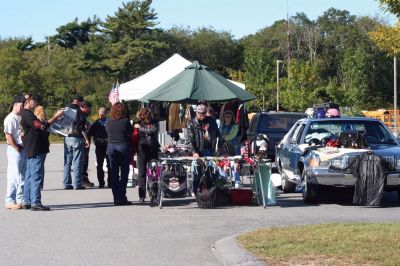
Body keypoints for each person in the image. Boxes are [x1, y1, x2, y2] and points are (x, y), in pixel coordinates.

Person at [20, 94, 64, 211]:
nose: (34, 102)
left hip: (32, 147)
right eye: (32, 100)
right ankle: (36, 203)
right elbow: (41, 126)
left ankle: (27, 201)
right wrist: (55, 117)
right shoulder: (28, 114)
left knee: (30, 175)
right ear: (27, 102)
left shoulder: (24, 113)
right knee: (36, 175)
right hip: (36, 148)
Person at [186, 104, 222, 194]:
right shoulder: (192, 123)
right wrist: (194, 152)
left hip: (210, 149)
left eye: (203, 114)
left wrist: (210, 134)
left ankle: (210, 194)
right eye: (199, 114)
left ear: (206, 113)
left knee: (210, 173)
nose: (201, 116)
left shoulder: (211, 121)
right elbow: (189, 141)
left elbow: (217, 134)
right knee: (197, 174)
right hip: (198, 150)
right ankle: (195, 193)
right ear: (196, 113)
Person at [105, 103, 132, 205]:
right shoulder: (125, 121)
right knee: (124, 173)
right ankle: (121, 196)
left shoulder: (108, 121)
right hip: (123, 146)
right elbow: (129, 133)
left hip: (111, 147)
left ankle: (116, 197)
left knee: (114, 174)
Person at [63, 94, 90, 190]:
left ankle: (66, 183)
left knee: (67, 162)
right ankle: (77, 183)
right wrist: (86, 139)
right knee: (77, 161)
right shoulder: (80, 113)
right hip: (77, 138)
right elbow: (81, 128)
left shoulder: (66, 109)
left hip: (67, 137)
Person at [4, 96, 26, 210]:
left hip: (23, 148)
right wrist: (16, 148)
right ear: (16, 104)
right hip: (15, 149)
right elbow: (8, 135)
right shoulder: (10, 118)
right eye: (21, 105)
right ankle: (10, 200)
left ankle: (20, 199)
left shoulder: (20, 117)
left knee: (22, 176)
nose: (22, 107)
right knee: (13, 175)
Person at [135, 107, 160, 203]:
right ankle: (142, 196)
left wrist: (140, 128)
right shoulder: (138, 122)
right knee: (142, 173)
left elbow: (153, 130)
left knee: (154, 173)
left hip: (152, 148)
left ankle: (153, 193)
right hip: (141, 149)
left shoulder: (154, 122)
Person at [88, 107, 110, 188]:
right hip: (108, 145)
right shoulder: (109, 121)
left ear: (98, 113)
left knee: (100, 164)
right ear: (106, 113)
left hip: (99, 145)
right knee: (109, 164)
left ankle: (101, 183)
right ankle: (110, 182)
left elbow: (89, 132)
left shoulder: (96, 122)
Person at [80, 101, 95, 187]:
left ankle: (82, 179)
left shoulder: (83, 115)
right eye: (89, 108)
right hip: (83, 141)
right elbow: (82, 129)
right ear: (85, 107)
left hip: (83, 140)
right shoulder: (81, 115)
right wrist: (86, 139)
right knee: (84, 160)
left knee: (84, 160)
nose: (90, 110)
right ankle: (83, 179)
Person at [34, 105, 49, 190]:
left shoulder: (36, 122)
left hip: (38, 145)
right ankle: (40, 185)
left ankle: (38, 184)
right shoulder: (45, 122)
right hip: (45, 145)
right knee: (41, 166)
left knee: (37, 166)